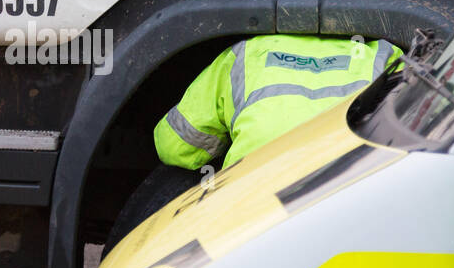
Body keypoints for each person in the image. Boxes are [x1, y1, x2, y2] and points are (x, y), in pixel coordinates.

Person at [155, 33, 399, 170]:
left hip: (246, 208)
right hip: (345, 196)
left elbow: (173, 147)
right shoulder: (385, 56)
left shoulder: (245, 54)